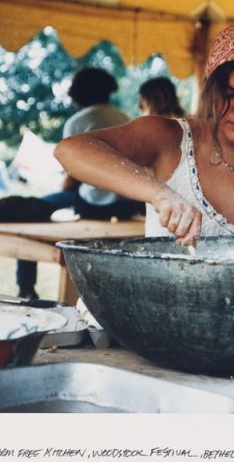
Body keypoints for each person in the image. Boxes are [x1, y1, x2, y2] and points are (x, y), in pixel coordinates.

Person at [55, 21, 234, 245]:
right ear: (210, 90)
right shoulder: (169, 139)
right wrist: (161, 195)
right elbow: (70, 150)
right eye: (228, 94)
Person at [16, 67, 141, 299]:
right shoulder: (123, 118)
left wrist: (63, 187)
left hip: (92, 202)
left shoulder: (78, 122)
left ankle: (26, 288)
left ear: (79, 93)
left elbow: (72, 175)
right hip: (125, 204)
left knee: (31, 212)